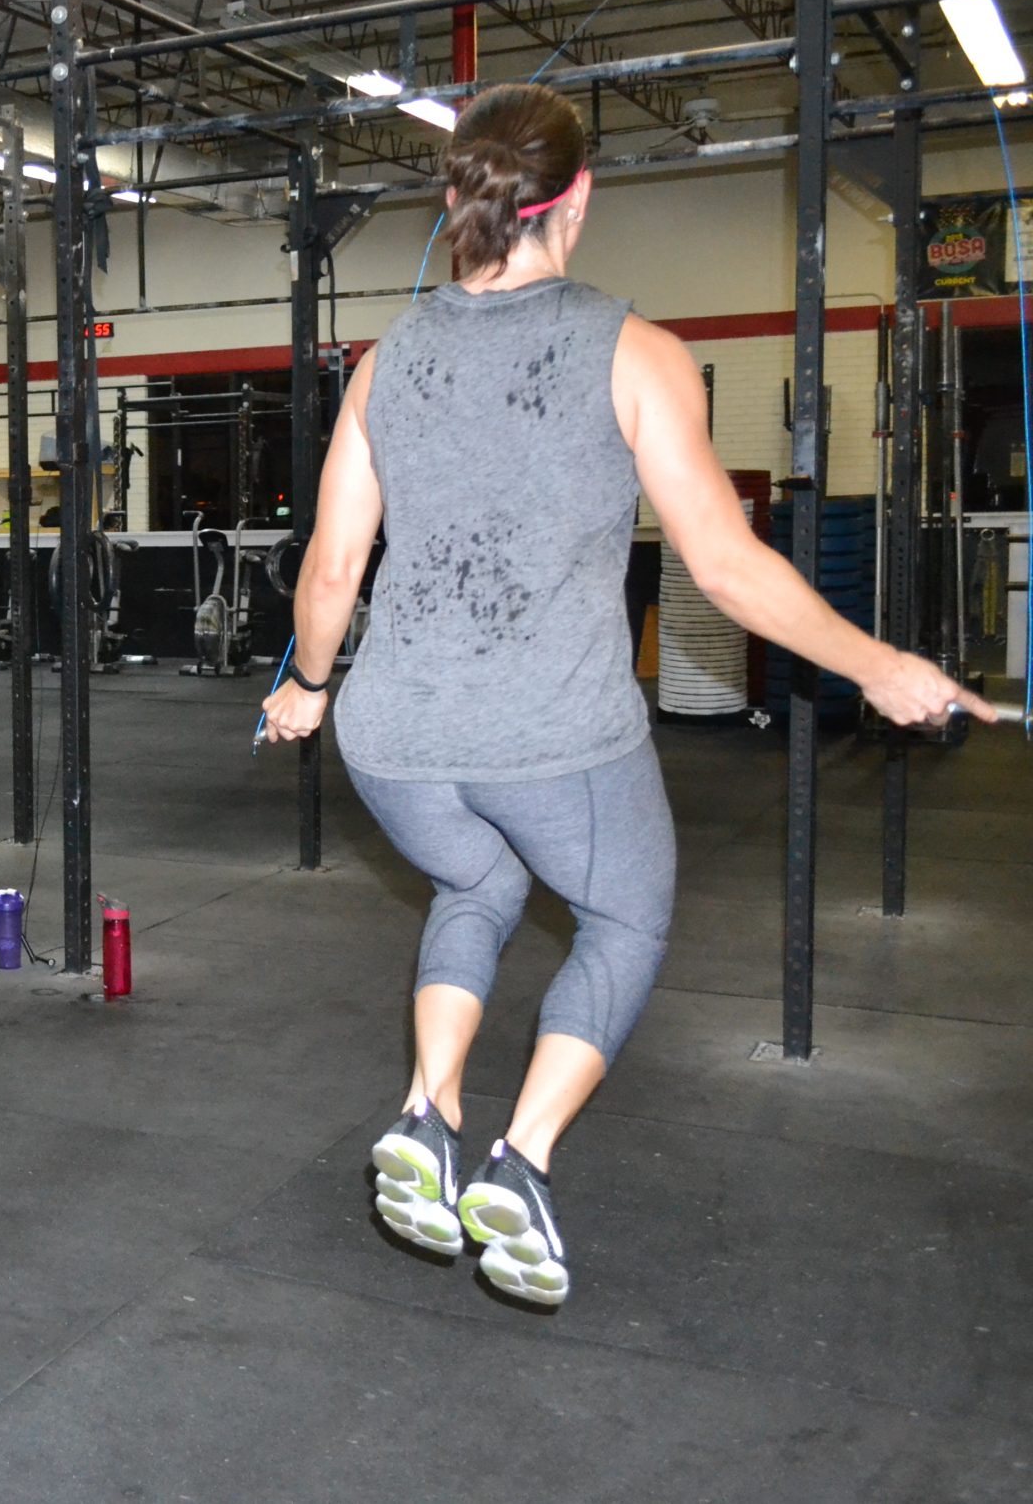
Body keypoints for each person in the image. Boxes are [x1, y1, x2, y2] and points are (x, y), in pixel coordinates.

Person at [260, 82, 991, 1310]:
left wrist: (305, 689)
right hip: (550, 733)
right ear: (578, 198)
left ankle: (427, 1114)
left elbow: (332, 570)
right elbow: (724, 567)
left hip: (392, 736)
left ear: (457, 197)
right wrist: (879, 666)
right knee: (623, 919)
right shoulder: (636, 352)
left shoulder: (384, 364)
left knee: (476, 885)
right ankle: (521, 1158)